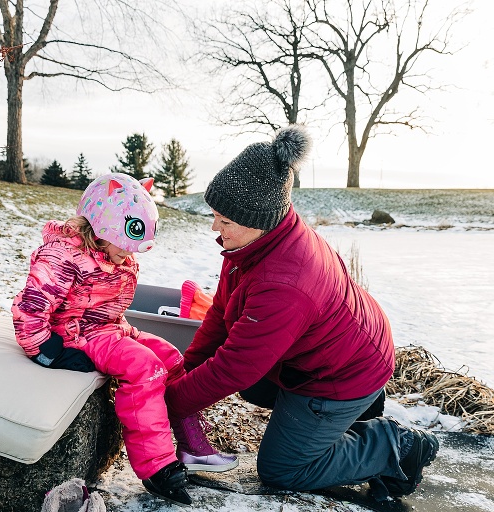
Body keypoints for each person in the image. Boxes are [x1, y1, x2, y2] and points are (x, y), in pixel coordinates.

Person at [164, 126, 439, 501]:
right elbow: (221, 314)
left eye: (225, 221)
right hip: (328, 348)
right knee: (252, 383)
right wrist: (184, 372)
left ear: (258, 219)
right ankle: (335, 422)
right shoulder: (256, 244)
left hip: (345, 371)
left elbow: (236, 364)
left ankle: (395, 444)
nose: (215, 228)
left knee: (283, 469)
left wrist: (170, 402)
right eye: (215, 216)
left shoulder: (285, 282)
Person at [11, 172, 237, 507]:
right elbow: (32, 305)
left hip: (109, 328)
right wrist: (45, 350)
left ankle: (192, 446)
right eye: (127, 244)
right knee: (144, 367)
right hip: (75, 333)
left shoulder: (114, 253)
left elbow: (107, 307)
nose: (131, 256)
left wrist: (125, 330)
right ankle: (157, 467)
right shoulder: (63, 254)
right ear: (101, 227)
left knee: (171, 357)